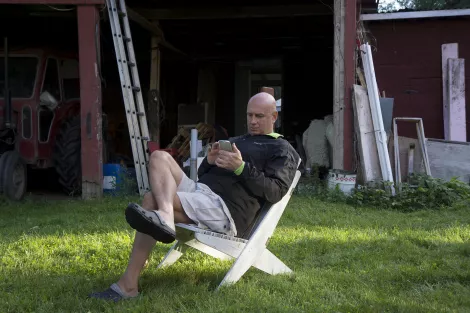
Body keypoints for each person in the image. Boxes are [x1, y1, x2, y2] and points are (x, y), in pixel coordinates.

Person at [89, 92, 300, 302]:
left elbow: (275, 192)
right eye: (249, 115)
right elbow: (205, 176)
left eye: (259, 116)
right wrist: (208, 161)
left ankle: (128, 285)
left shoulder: (282, 149)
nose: (252, 121)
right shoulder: (237, 140)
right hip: (201, 192)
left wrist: (241, 168)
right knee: (159, 156)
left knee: (151, 200)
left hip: (225, 208)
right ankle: (164, 216)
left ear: (274, 117)